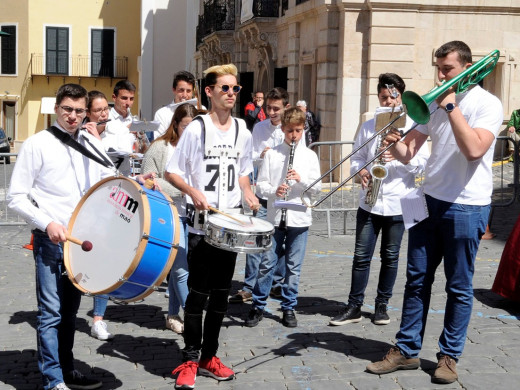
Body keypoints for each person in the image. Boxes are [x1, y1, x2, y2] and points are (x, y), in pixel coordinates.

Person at [366, 41, 503, 384]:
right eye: (437, 68)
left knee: (458, 286)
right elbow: (408, 152)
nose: (440, 75)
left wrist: (452, 106)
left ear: (468, 68)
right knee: (416, 279)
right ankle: (406, 350)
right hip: (427, 199)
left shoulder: (487, 103)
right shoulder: (434, 103)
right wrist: (392, 140)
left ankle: (449, 356)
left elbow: (473, 149)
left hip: (467, 204)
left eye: (447, 70)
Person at [7, 84, 111, 390]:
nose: (73, 116)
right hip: (50, 242)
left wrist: (98, 143)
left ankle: (67, 371)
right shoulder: (38, 144)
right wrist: (46, 222)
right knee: (50, 313)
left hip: (80, 243)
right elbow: (15, 197)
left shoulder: (89, 143)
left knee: (69, 313)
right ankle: (53, 380)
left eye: (80, 111)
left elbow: (108, 181)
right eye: (68, 109)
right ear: (56, 108)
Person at [165, 63, 257, 389]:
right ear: (209, 92)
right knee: (197, 294)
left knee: (221, 296)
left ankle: (209, 357)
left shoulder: (243, 130)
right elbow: (172, 172)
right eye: (224, 88)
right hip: (202, 226)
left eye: (235, 89)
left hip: (230, 223)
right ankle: (189, 358)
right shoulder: (197, 129)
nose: (231, 93)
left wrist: (248, 193)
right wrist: (193, 192)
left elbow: (244, 172)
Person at [328, 74, 429, 327]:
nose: (388, 101)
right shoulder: (368, 126)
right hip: (370, 200)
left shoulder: (414, 126)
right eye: (383, 97)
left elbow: (422, 165)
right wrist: (360, 171)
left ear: (402, 97)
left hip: (399, 201)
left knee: (391, 256)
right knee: (361, 256)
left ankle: (382, 305)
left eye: (392, 96)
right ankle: (354, 306)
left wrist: (401, 155)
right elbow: (356, 158)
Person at [244, 107, 321, 328]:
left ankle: (289, 307)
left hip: (299, 218)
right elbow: (262, 185)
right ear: (283, 130)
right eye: (289, 131)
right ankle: (258, 305)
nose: (294, 135)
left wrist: (301, 180)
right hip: (275, 217)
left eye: (297, 131)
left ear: (303, 130)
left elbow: (317, 188)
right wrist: (275, 190)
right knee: (267, 264)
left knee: (293, 267)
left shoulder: (310, 156)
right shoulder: (273, 154)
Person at [229, 87, 292, 304]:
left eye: (276, 108)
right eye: (269, 108)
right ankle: (249, 285)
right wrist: (263, 154)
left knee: (282, 240)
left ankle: (275, 282)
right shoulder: (259, 128)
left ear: (286, 107)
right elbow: (251, 156)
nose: (272, 112)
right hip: (264, 190)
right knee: (256, 239)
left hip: (284, 193)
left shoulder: (292, 129)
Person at [142, 103, 199, 334]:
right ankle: (191, 315)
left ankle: (173, 315)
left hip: (192, 217)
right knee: (180, 269)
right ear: (175, 124)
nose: (190, 132)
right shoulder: (160, 147)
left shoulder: (197, 149)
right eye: (186, 126)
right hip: (167, 217)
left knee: (180, 268)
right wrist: (184, 189)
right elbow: (148, 182)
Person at [83, 90, 115, 341]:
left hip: (108, 209)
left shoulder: (113, 131)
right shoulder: (82, 138)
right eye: (99, 110)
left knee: (103, 262)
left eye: (106, 109)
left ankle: (98, 319)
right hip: (85, 210)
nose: (104, 114)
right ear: (88, 114)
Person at [154, 70, 200, 139]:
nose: (184, 95)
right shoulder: (162, 113)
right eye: (181, 90)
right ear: (174, 90)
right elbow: (159, 141)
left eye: (188, 91)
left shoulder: (200, 109)